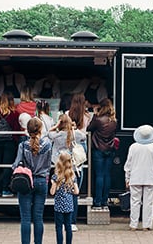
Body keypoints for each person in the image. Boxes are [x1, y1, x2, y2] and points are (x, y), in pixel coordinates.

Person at [12, 117, 52, 244]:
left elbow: (16, 164)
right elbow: (48, 165)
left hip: (26, 182)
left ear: (27, 130)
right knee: (38, 217)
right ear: (40, 129)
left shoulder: (23, 145)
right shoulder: (48, 145)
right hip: (41, 181)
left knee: (25, 218)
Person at [124, 125, 153, 231]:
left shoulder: (133, 147)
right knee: (148, 203)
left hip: (135, 178)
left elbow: (128, 165)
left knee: (135, 201)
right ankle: (147, 225)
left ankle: (133, 224)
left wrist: (127, 178)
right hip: (150, 178)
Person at [66, 93, 92, 231]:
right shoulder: (87, 116)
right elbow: (85, 134)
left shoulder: (66, 114)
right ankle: (72, 222)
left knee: (66, 185)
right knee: (76, 187)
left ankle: (65, 220)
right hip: (81, 148)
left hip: (68, 147)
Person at [87, 98, 117, 209]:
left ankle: (98, 202)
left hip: (98, 150)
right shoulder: (114, 121)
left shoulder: (98, 119)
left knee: (99, 175)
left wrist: (94, 115)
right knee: (107, 175)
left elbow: (89, 128)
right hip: (110, 149)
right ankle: (105, 201)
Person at [0, 92, 20, 197]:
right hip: (9, 142)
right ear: (12, 101)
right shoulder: (15, 113)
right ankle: (5, 190)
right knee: (7, 166)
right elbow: (16, 128)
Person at [50, 152, 79, 244]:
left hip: (59, 206)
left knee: (59, 227)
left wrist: (52, 184)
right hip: (69, 205)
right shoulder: (72, 176)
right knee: (68, 226)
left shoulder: (56, 177)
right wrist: (70, 191)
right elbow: (77, 191)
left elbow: (52, 192)